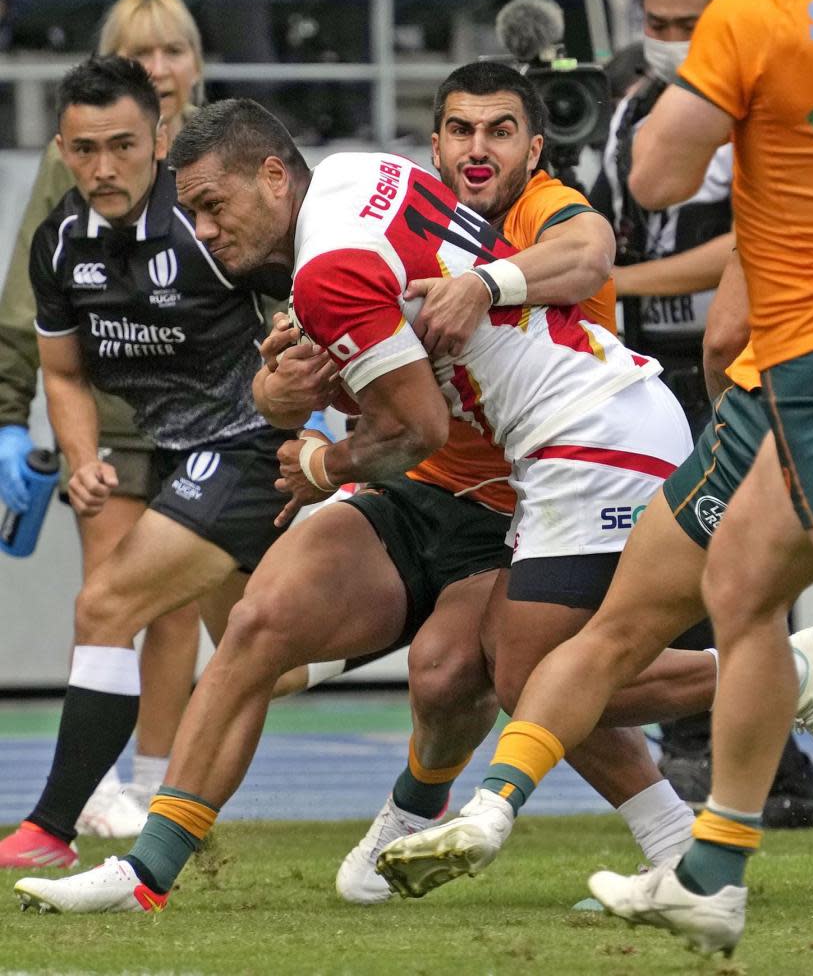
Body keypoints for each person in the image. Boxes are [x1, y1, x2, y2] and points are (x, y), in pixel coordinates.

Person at [9, 89, 708, 915]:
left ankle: (767, 676)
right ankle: (147, 871)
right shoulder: (353, 176)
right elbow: (377, 358)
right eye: (455, 132)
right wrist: (286, 388)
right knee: (264, 620)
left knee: (524, 675)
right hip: (463, 469)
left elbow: (418, 415)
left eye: (209, 206)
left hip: (569, 442)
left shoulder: (361, 250)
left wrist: (319, 459)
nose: (201, 230)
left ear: (274, 176)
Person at [586, 0, 813, 956]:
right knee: (740, 584)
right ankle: (712, 872)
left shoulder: (761, 7)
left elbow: (658, 177)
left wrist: (700, 80)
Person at [374, 253, 813, 896]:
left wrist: (321, 455)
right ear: (437, 143)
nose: (479, 148)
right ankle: (687, 858)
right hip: (571, 451)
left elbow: (683, 307)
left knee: (562, 665)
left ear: (534, 148)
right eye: (465, 138)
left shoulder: (523, 214)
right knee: (545, 663)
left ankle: (498, 815)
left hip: (610, 440)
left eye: (500, 139)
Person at [0, 56, 291, 871]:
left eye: (122, 145)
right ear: (60, 148)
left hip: (247, 445)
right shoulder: (59, 243)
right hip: (159, 450)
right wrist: (83, 457)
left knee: (105, 604)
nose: (103, 167)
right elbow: (63, 372)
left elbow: (300, 323)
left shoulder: (211, 223)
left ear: (158, 139)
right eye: (84, 149)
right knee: (264, 654)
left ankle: (52, 829)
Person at [601, 0, 813, 829]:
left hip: (753, 358)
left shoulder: (773, 106)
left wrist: (615, 280)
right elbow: (624, 216)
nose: (669, 38)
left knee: (745, 569)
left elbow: (747, 246)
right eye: (656, 22)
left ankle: (762, 768)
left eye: (688, 24)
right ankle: (748, 771)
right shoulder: (633, 109)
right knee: (690, 572)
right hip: (648, 364)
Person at [0, 0, 207, 836]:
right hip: (115, 412)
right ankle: (97, 783)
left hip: (209, 421)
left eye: (173, 51)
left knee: (184, 611)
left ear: (196, 62)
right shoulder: (79, 159)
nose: (160, 67)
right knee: (112, 595)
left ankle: (155, 781)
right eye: (142, 52)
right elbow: (30, 291)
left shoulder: (223, 146)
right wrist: (10, 413)